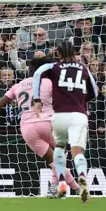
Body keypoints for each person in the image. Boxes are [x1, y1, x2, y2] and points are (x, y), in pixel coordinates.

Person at [0, 56, 80, 198]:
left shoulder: (18, 85)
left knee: (54, 162)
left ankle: (55, 190)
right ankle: (78, 189)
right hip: (50, 124)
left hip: (28, 129)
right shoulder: (49, 83)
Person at [33, 41, 98, 202]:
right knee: (78, 152)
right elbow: (95, 91)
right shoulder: (83, 68)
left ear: (58, 54)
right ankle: (82, 179)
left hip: (60, 115)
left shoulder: (54, 67)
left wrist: (37, 99)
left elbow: (37, 72)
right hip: (79, 115)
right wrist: (82, 100)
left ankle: (62, 184)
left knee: (59, 149)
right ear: (75, 52)